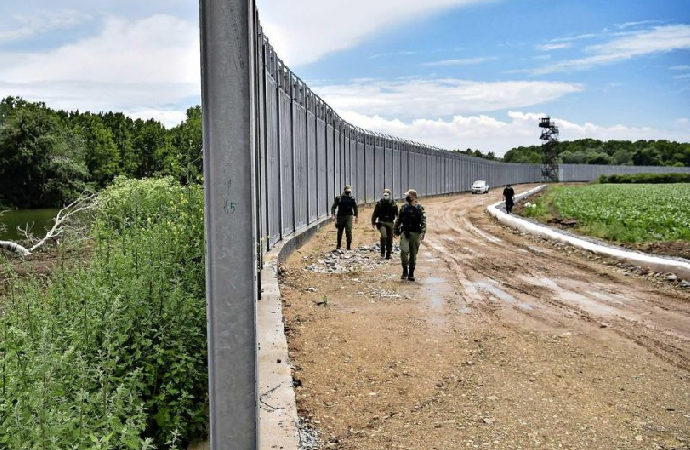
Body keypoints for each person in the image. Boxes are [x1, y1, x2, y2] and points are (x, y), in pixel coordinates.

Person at [394, 189, 426, 282]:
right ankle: (405, 271)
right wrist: (395, 230)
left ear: (413, 197)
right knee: (404, 251)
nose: (407, 197)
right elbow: (399, 220)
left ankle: (411, 273)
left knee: (413, 254)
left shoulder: (420, 208)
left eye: (408, 196)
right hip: (405, 232)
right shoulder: (404, 207)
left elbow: (423, 222)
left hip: (415, 233)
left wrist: (423, 233)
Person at [371, 188, 398, 259]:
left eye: (387, 194)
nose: (385, 195)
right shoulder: (379, 204)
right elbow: (375, 214)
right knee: (384, 236)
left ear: (390, 195)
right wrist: (373, 222)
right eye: (384, 194)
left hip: (390, 223)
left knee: (390, 239)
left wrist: (398, 224)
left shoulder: (393, 204)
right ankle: (382, 252)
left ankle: (388, 254)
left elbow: (397, 215)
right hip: (382, 222)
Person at [330, 185, 358, 250]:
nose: (348, 193)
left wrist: (356, 216)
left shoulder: (352, 199)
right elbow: (333, 207)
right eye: (347, 191)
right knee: (340, 231)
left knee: (348, 231)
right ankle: (338, 246)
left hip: (349, 216)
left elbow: (355, 208)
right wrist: (333, 215)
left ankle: (348, 247)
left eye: (349, 191)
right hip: (340, 217)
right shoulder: (339, 198)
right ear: (344, 190)